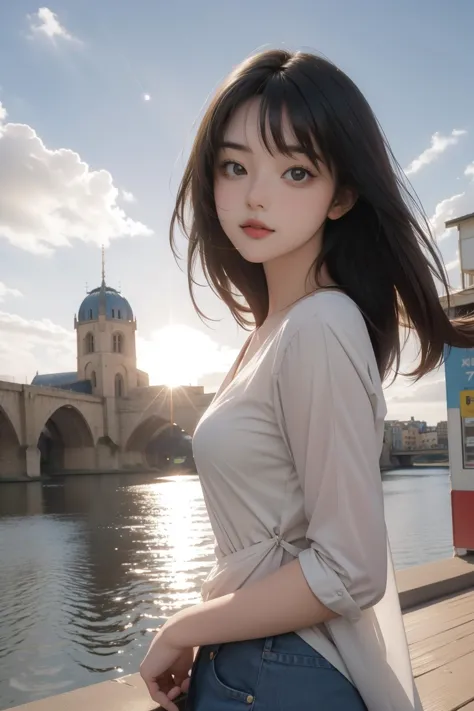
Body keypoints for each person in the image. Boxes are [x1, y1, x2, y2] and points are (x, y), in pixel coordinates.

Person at [140, 49, 470, 711]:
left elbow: (350, 566)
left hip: (284, 669)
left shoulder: (321, 324)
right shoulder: (270, 334)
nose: (256, 195)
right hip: (254, 659)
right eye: (235, 166)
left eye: (295, 170)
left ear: (342, 193)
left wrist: (183, 625)